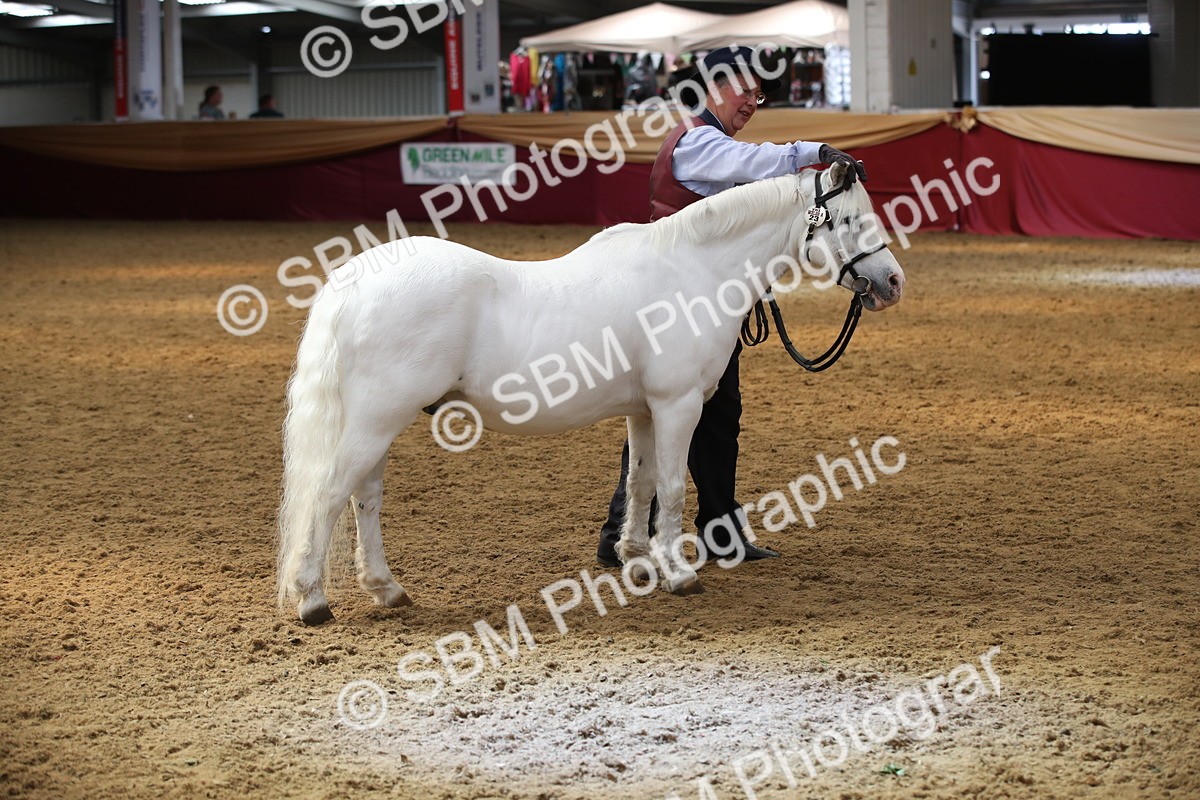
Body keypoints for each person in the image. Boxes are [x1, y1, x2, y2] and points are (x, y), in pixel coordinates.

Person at [596, 46, 868, 569]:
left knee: (701, 417)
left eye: (759, 94)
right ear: (714, 86)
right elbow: (758, 162)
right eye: (745, 89)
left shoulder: (702, 139)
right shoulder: (699, 143)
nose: (753, 102)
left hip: (701, 307)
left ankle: (690, 532)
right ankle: (638, 532)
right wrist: (815, 151)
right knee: (678, 414)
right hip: (683, 311)